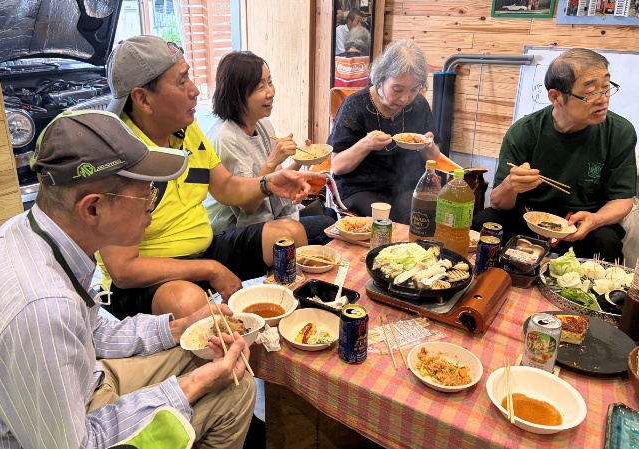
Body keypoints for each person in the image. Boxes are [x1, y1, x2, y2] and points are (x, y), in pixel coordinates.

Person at [0, 110, 256, 448]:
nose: (152, 206)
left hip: (89, 380)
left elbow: (91, 333)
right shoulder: (43, 308)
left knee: (221, 364)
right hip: (76, 427)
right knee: (227, 387)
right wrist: (193, 386)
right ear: (93, 208)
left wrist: (180, 327)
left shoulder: (31, 231)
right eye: (147, 194)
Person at [99, 35, 326, 320]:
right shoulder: (115, 156)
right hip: (144, 280)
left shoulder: (186, 128)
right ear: (143, 98)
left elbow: (227, 187)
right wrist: (210, 269)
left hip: (202, 250)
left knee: (289, 234)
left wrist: (268, 183)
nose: (195, 90)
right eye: (182, 81)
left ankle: (285, 323)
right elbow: (124, 270)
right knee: (188, 302)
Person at [472, 48, 637, 262]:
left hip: (584, 220)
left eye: (606, 88)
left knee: (605, 242)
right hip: (529, 217)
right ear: (556, 97)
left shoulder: (619, 132)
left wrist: (595, 220)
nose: (602, 99)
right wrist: (511, 185)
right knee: (485, 222)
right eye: (590, 92)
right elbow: (498, 203)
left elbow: (622, 200)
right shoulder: (525, 131)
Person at [206, 51, 336, 245]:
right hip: (234, 232)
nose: (271, 92)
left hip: (268, 217)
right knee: (327, 226)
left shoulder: (262, 125)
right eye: (261, 87)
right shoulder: (226, 138)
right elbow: (249, 208)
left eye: (270, 82)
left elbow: (277, 178)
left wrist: (300, 161)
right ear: (236, 96)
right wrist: (273, 160)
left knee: (329, 213)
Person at [327, 39, 441, 224]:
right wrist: (365, 145)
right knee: (385, 222)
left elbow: (434, 159)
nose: (405, 99)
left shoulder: (419, 104)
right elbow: (338, 166)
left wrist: (428, 146)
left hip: (407, 186)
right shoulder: (355, 106)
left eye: (414, 90)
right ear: (380, 78)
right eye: (397, 89)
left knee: (424, 218)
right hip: (362, 187)